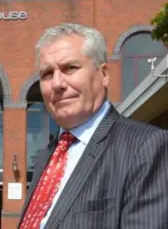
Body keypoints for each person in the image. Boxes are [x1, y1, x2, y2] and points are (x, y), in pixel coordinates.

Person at [18, 23, 168, 229]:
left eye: (70, 68)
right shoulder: (47, 156)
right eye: (47, 74)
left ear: (104, 74)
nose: (57, 83)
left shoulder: (145, 147)